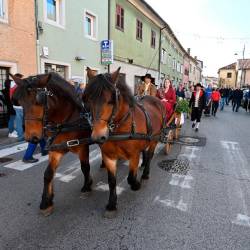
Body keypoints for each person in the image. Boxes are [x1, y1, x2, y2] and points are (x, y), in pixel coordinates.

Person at [10, 73, 24, 141]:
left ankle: (21, 136)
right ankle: (22, 136)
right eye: (20, 78)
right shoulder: (18, 84)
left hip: (17, 105)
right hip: (21, 106)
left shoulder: (12, 84)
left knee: (19, 122)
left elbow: (11, 95)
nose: (21, 79)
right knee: (21, 121)